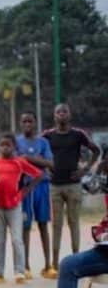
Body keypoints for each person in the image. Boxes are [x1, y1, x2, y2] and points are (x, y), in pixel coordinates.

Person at [43, 103, 101, 274]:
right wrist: (46, 168)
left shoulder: (77, 134)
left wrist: (85, 169)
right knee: (56, 225)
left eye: (64, 111)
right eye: (58, 112)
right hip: (55, 186)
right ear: (54, 116)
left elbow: (96, 150)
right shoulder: (47, 135)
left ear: (69, 115)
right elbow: (38, 153)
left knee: (74, 223)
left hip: (73, 185)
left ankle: (76, 261)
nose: (61, 114)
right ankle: (54, 264)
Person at [0, 134, 45, 284]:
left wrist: (25, 191)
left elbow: (38, 174)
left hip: (14, 205)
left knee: (17, 239)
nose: (5, 148)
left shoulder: (19, 162)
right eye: (2, 145)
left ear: (14, 147)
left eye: (8, 145)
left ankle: (19, 271)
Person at [16, 112, 54, 278]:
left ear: (35, 123)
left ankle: (48, 265)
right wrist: (38, 160)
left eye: (30, 121)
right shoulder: (16, 142)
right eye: (24, 121)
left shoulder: (43, 142)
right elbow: (16, 162)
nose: (27, 124)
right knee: (25, 226)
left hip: (42, 186)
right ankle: (26, 266)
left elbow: (50, 164)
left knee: (43, 225)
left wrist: (28, 158)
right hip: (25, 188)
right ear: (20, 124)